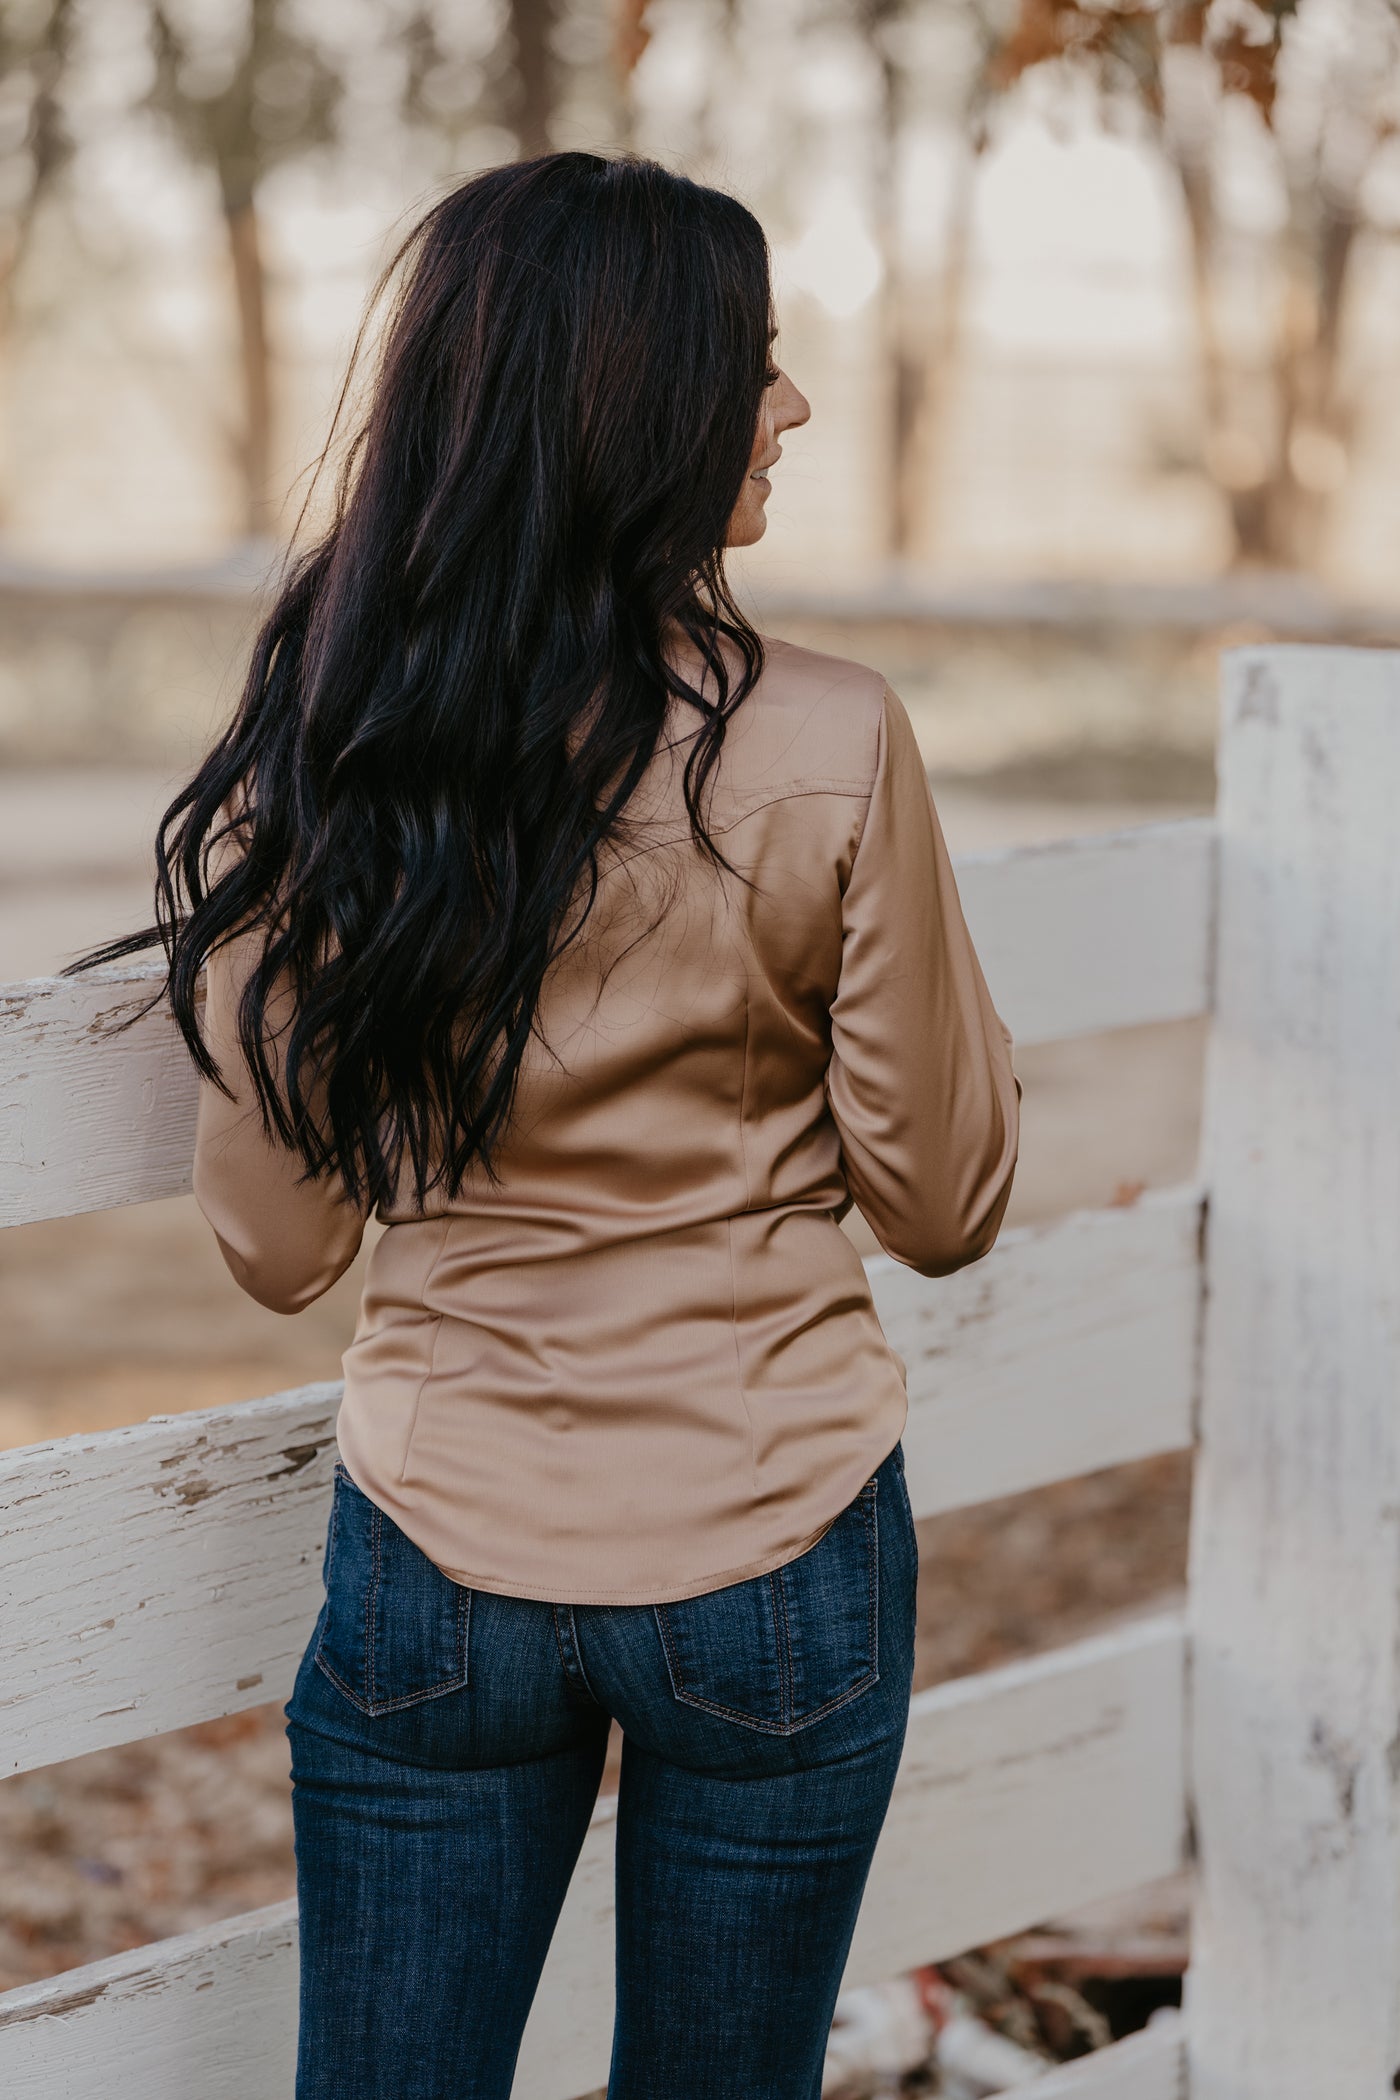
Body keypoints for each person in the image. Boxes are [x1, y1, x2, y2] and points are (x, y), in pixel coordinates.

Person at [94, 152, 1020, 2100]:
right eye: (750, 363)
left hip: (440, 1558)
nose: (789, 406)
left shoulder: (335, 755)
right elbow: (941, 1201)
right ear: (635, 400)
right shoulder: (832, 738)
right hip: (778, 1551)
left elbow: (274, 1254)